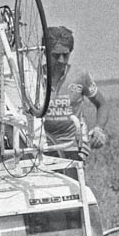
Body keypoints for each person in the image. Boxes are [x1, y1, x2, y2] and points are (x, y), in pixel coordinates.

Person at [43, 26, 110, 164]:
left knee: (71, 182)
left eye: (65, 55)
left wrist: (99, 129)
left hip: (73, 145)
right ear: (45, 53)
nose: (61, 60)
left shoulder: (80, 76)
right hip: (43, 144)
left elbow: (102, 104)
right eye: (56, 56)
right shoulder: (33, 76)